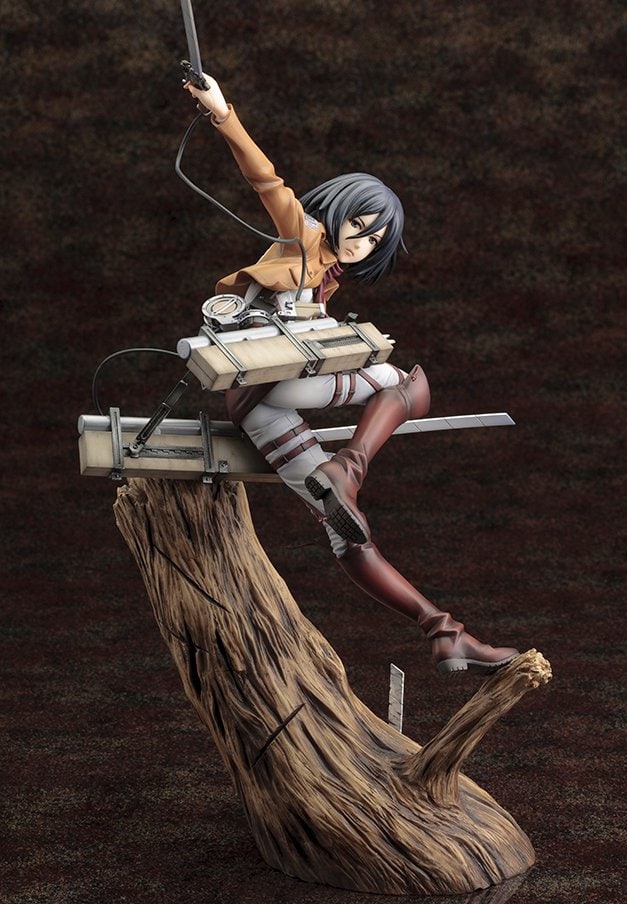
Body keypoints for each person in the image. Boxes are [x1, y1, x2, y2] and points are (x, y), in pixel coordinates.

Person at [184, 73, 519, 675]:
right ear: (338, 211)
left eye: (375, 239)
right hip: (262, 381)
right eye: (359, 226)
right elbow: (267, 180)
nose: (361, 243)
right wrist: (221, 112)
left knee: (349, 533)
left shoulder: (330, 275)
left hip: (265, 409)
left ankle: (444, 632)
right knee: (404, 383)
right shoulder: (303, 237)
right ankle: (348, 468)